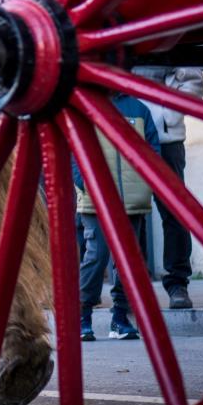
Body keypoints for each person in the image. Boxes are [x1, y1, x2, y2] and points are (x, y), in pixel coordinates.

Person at [76, 93, 160, 342]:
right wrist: (84, 183)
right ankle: (83, 316)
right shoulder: (86, 104)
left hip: (131, 201)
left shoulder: (139, 109)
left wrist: (145, 184)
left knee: (126, 261)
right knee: (96, 257)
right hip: (96, 200)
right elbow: (73, 150)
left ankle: (120, 318)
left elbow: (153, 149)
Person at [132, 66, 203, 309]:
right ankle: (132, 285)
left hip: (166, 140)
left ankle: (177, 284)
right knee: (131, 212)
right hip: (130, 132)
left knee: (173, 213)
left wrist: (166, 116)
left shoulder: (173, 42)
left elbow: (193, 82)